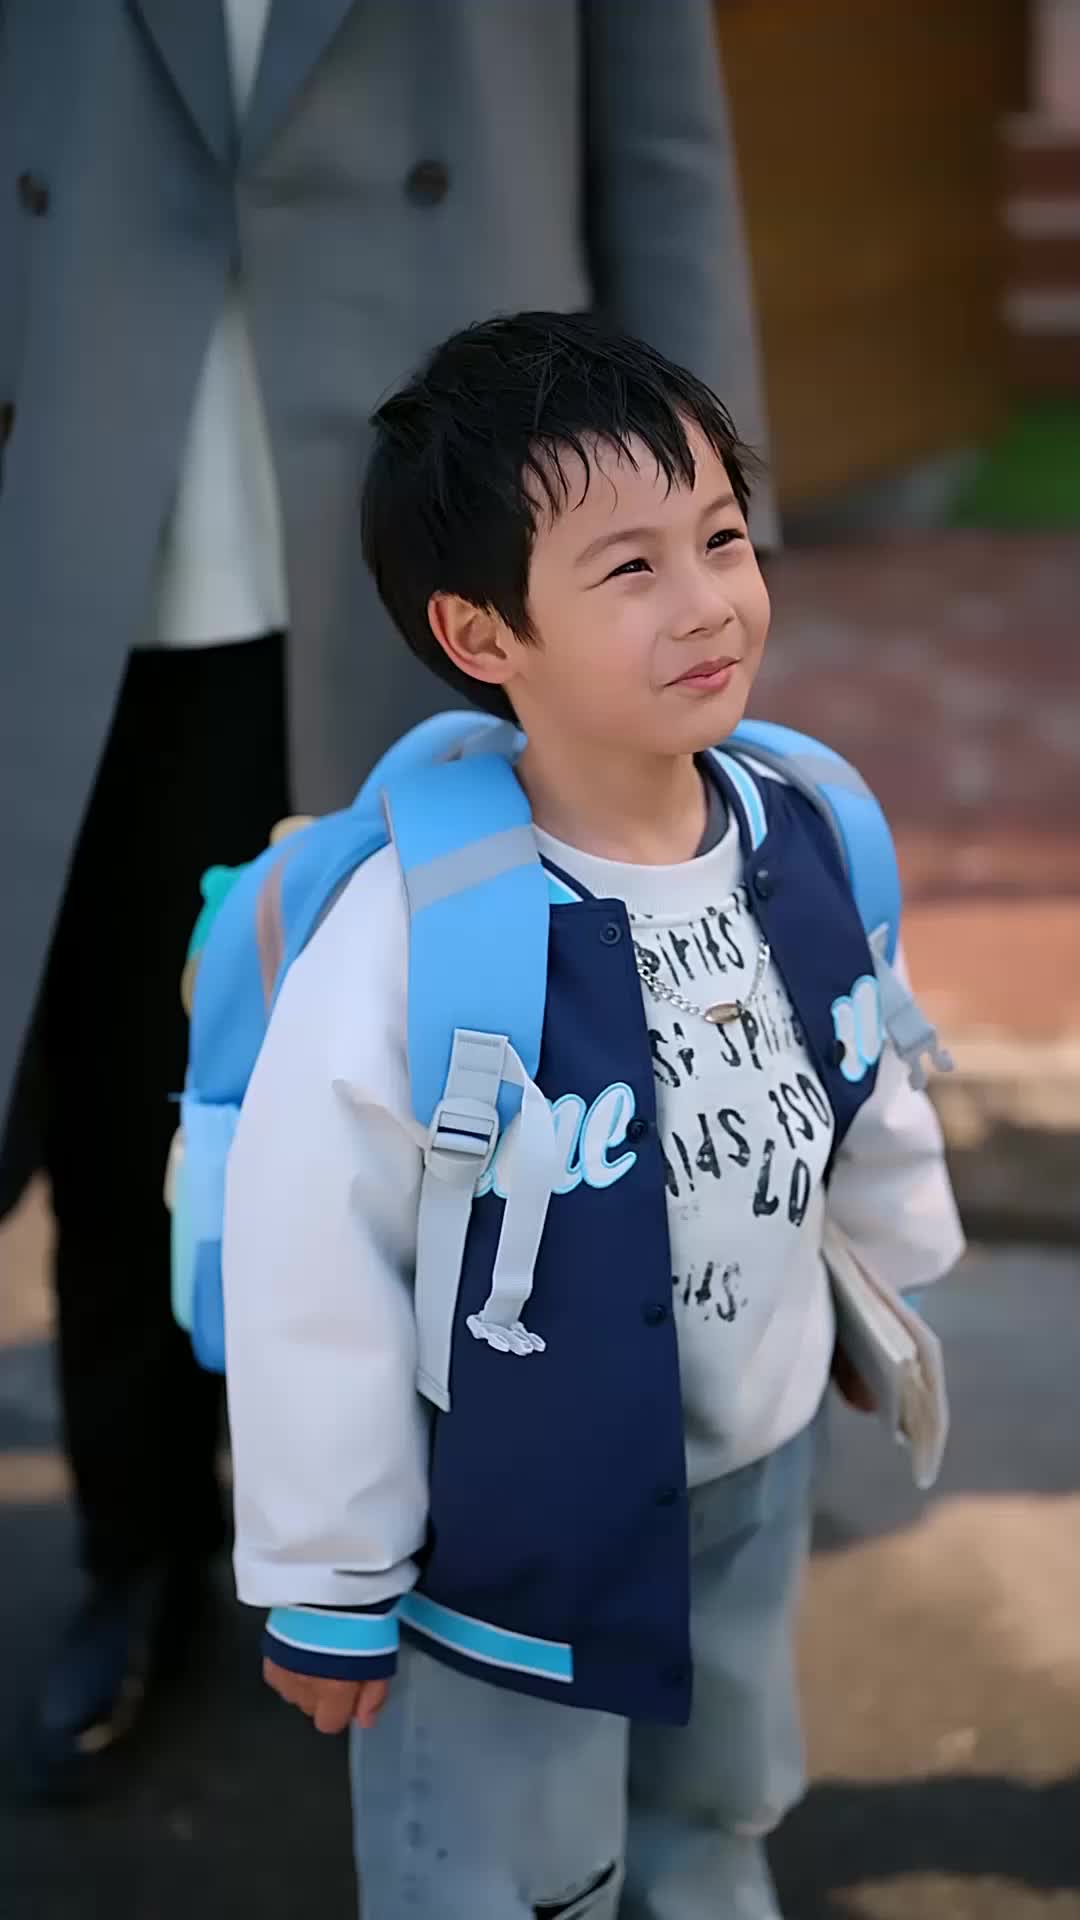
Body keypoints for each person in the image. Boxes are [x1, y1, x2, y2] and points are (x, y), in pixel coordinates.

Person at [0, 2, 776, 1796]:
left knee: (500, 1091)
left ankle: (498, 1548)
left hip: (478, 521)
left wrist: (703, 545)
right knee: (138, 1080)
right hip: (95, 504)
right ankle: (143, 1545)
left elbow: (663, 164)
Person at [222, 312, 965, 1920]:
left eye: (721, 538)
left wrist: (881, 1291)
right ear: (483, 630)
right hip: (511, 1514)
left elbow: (856, 1066)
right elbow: (313, 1269)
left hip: (752, 1461)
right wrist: (330, 1578)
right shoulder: (417, 930)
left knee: (721, 1796)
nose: (707, 601)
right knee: (505, 1865)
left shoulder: (803, 825)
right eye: (630, 569)